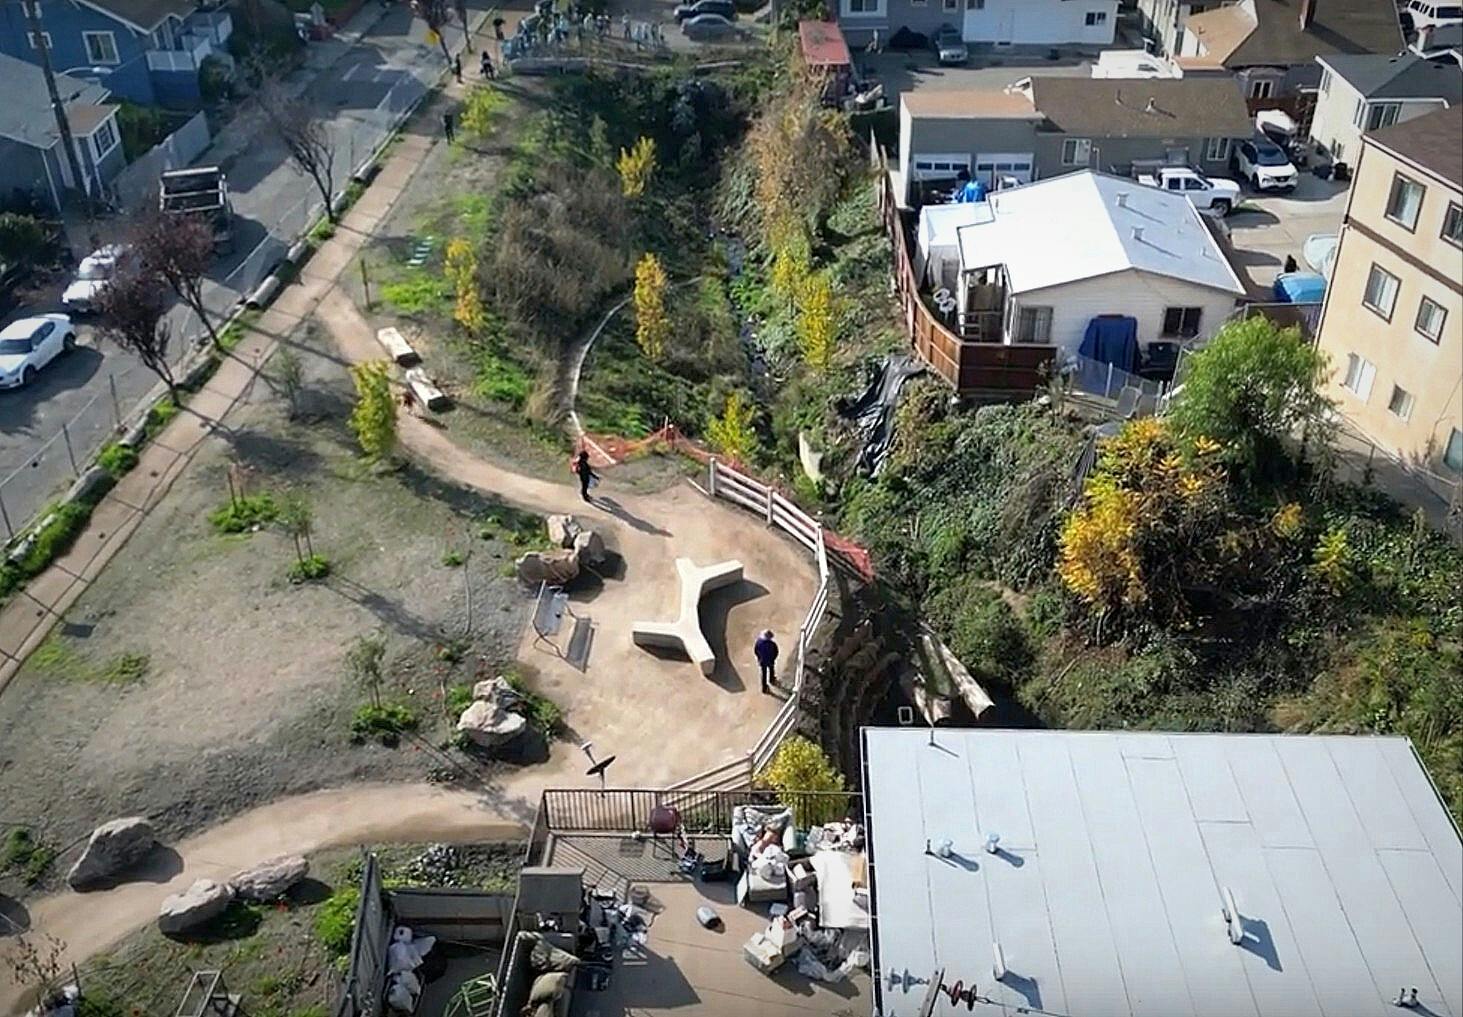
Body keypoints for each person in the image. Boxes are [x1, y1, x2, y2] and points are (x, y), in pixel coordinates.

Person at [754, 630, 779, 694]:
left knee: (764, 674)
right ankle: (772, 680)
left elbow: (756, 651)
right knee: (771, 670)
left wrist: (759, 658)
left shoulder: (758, 642)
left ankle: (764, 688)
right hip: (770, 660)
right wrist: (773, 658)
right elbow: (776, 652)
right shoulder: (772, 644)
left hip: (762, 661)